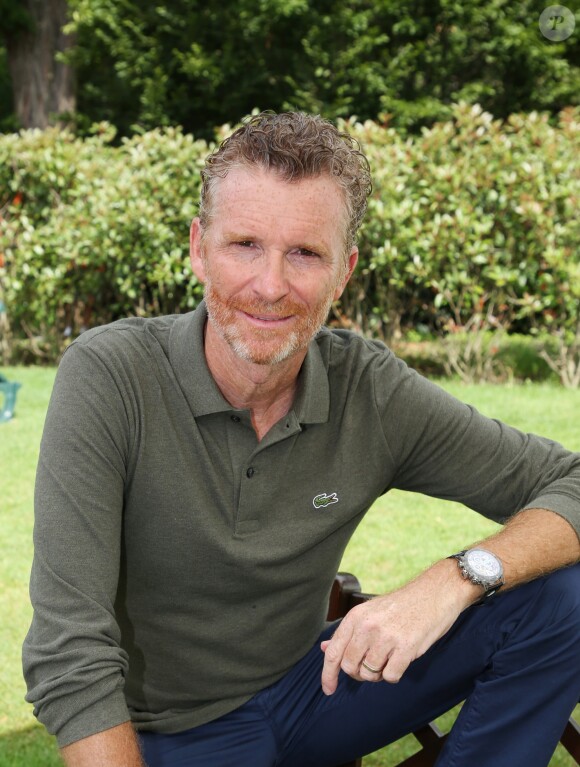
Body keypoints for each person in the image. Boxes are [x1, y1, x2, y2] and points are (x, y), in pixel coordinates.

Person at [23, 111, 580, 767]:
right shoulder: (110, 376)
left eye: (305, 253)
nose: (271, 285)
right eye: (245, 245)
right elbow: (70, 647)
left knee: (561, 597)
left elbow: (568, 479)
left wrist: (454, 578)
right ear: (199, 247)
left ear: (343, 272)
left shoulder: (368, 387)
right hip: (173, 733)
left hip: (313, 688)